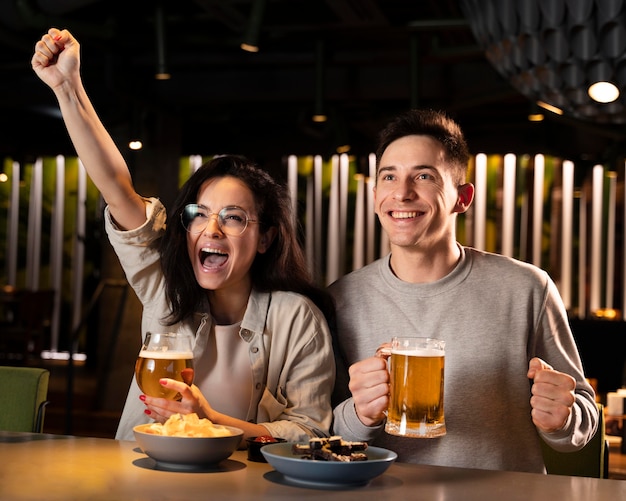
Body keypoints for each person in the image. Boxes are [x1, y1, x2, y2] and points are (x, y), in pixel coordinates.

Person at [32, 27, 335, 441]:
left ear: (265, 238)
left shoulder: (296, 318)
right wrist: (68, 87)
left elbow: (309, 433)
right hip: (142, 476)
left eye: (232, 217)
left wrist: (209, 419)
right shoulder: (165, 290)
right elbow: (118, 190)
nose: (211, 229)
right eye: (199, 214)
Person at [329, 109, 598, 473]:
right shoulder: (339, 300)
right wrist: (359, 414)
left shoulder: (526, 288)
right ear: (376, 194)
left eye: (424, 176)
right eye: (389, 177)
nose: (402, 193)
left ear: (463, 197)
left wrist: (563, 420)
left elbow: (581, 415)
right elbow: (325, 434)